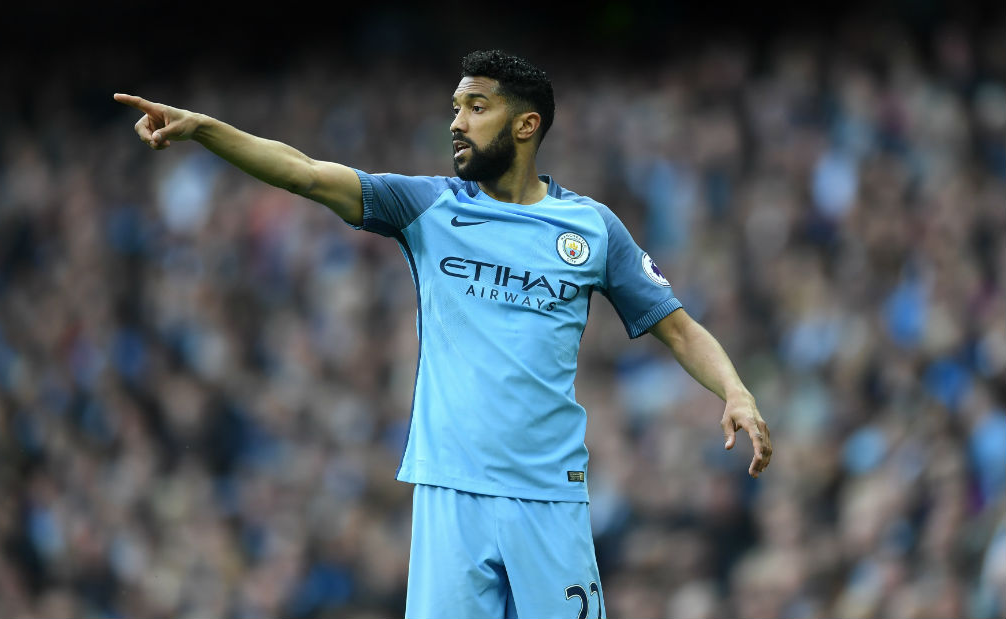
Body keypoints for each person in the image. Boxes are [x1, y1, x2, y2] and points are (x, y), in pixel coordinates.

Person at [115, 49, 772, 619]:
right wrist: (205, 130)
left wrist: (735, 391)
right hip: (450, 490)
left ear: (526, 124)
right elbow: (304, 172)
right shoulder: (428, 207)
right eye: (454, 108)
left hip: (548, 495)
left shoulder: (591, 228)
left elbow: (679, 330)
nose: (456, 122)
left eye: (475, 108)